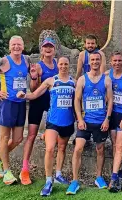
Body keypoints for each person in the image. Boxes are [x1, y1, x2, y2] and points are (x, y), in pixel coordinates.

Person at [17, 56, 75, 196]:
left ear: (69, 66)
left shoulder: (75, 82)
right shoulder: (51, 80)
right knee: (49, 149)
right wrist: (24, 96)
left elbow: (78, 101)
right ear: (58, 66)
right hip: (53, 121)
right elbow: (35, 94)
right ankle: (48, 180)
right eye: (61, 64)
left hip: (68, 121)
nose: (63, 66)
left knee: (62, 148)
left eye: (65, 64)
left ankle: (58, 175)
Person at [0, 36, 37, 185]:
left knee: (18, 138)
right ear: (9, 46)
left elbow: (30, 78)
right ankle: (6, 171)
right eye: (13, 45)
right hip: (6, 103)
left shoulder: (26, 60)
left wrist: (33, 78)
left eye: (19, 44)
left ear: (23, 45)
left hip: (20, 103)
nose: (16, 47)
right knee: (4, 137)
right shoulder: (4, 61)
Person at [66, 52, 113, 195]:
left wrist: (107, 119)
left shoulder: (106, 80)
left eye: (97, 59)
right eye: (92, 60)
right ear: (89, 62)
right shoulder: (82, 79)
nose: (95, 62)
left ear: (100, 61)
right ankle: (74, 181)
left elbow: (110, 100)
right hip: (85, 122)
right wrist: (79, 119)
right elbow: (77, 100)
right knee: (78, 148)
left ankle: (98, 177)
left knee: (100, 149)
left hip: (100, 122)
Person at [19, 37, 59, 185]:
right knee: (31, 135)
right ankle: (24, 169)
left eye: (51, 47)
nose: (48, 49)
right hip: (37, 102)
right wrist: (35, 77)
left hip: (51, 104)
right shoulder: (39, 66)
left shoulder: (57, 64)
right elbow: (33, 89)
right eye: (45, 47)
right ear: (41, 50)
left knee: (55, 132)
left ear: (54, 49)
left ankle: (45, 137)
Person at [105, 52, 122, 193]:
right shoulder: (106, 75)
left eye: (119, 60)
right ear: (111, 62)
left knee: (120, 146)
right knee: (115, 145)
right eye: (114, 60)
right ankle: (120, 173)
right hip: (111, 114)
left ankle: (114, 178)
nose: (117, 63)